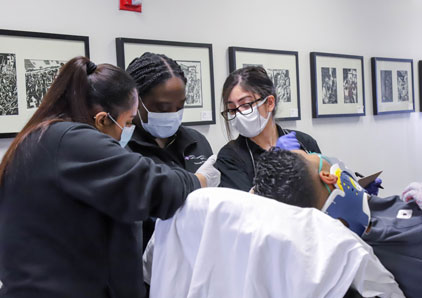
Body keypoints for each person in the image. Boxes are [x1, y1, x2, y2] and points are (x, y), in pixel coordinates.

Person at [0, 56, 219, 298]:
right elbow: (153, 187)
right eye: (127, 122)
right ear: (102, 119)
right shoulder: (72, 141)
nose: (128, 130)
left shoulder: (42, 138)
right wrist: (200, 181)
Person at [253, 149, 422, 298]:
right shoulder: (404, 243)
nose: (318, 155)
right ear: (328, 177)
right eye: (311, 155)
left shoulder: (343, 265)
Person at [125, 52, 214, 249]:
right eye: (163, 108)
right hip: (146, 265)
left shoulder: (196, 141)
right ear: (135, 101)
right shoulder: (122, 148)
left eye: (179, 107)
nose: (172, 115)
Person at [215, 66, 320, 192]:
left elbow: (326, 189)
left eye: (245, 105)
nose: (238, 114)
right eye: (232, 109)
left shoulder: (304, 142)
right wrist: (277, 165)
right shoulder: (230, 157)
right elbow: (245, 207)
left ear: (269, 103)